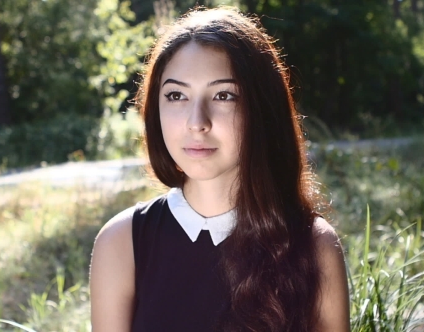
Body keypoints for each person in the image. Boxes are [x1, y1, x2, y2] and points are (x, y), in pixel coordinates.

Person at [89, 7, 350, 332]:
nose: (197, 122)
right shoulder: (120, 242)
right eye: (176, 95)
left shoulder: (314, 246)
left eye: (224, 95)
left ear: (262, 108)